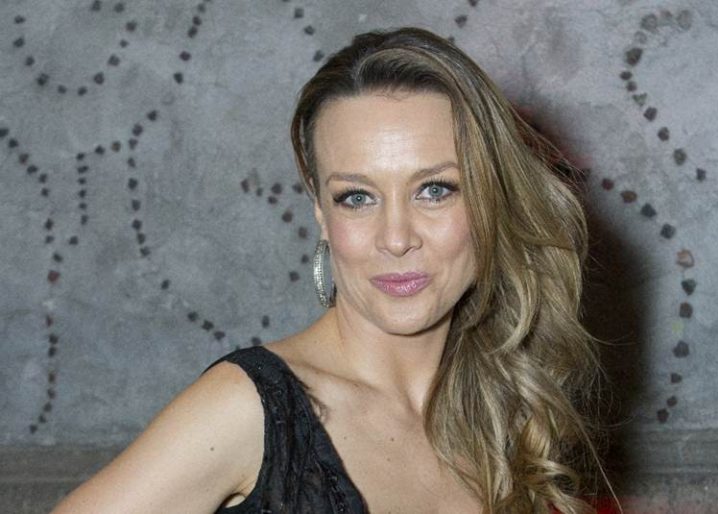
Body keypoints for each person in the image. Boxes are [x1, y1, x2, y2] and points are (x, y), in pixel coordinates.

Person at [51, 27, 617, 514]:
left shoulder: (504, 411)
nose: (396, 238)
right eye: (357, 197)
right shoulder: (248, 410)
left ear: (492, 200)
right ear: (321, 211)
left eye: (434, 190)